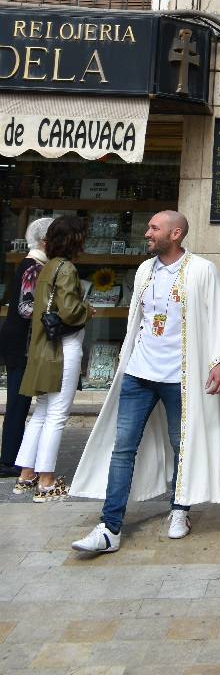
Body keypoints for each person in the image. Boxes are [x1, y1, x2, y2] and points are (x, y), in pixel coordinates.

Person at [70, 211, 220, 554]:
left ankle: (180, 510)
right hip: (138, 374)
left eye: (153, 228)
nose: (147, 233)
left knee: (183, 445)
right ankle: (110, 527)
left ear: (175, 234)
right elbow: (139, 320)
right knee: (123, 447)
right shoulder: (145, 270)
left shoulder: (202, 270)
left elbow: (219, 315)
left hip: (181, 377)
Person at [14, 215, 92, 501]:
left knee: (42, 413)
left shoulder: (46, 267)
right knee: (57, 415)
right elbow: (71, 312)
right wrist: (88, 310)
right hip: (63, 348)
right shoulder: (67, 268)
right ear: (74, 240)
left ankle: (26, 475)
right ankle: (47, 481)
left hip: (43, 348)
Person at [0, 216, 54, 477]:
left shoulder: (34, 264)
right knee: (18, 404)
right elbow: (25, 307)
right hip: (20, 343)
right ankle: (9, 459)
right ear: (45, 241)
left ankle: (13, 456)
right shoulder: (33, 266)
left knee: (20, 403)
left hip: (18, 341)